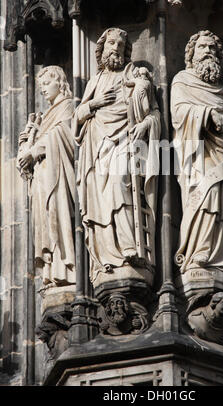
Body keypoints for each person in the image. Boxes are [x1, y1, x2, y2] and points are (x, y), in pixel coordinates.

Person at [73, 28, 160, 285]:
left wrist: (146, 124)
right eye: (111, 44)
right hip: (97, 145)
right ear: (102, 48)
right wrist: (94, 103)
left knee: (120, 182)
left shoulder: (132, 74)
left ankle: (128, 245)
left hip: (126, 139)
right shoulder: (95, 82)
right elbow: (77, 117)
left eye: (121, 46)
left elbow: (153, 112)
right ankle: (105, 255)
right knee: (99, 197)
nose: (116, 49)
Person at [171, 30, 223, 274]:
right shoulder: (182, 80)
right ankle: (198, 251)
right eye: (202, 47)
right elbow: (178, 113)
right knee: (208, 193)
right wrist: (206, 115)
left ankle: (221, 256)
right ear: (191, 54)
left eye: (212, 48)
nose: (208, 52)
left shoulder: (222, 92)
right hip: (198, 152)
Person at [17, 66, 75, 287]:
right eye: (40, 85)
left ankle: (66, 271)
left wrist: (35, 150)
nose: (42, 89)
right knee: (43, 226)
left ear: (59, 82)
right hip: (42, 177)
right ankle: (50, 272)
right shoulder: (45, 117)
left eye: (46, 83)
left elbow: (65, 134)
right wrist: (28, 136)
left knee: (57, 218)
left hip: (57, 175)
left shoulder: (67, 106)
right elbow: (24, 161)